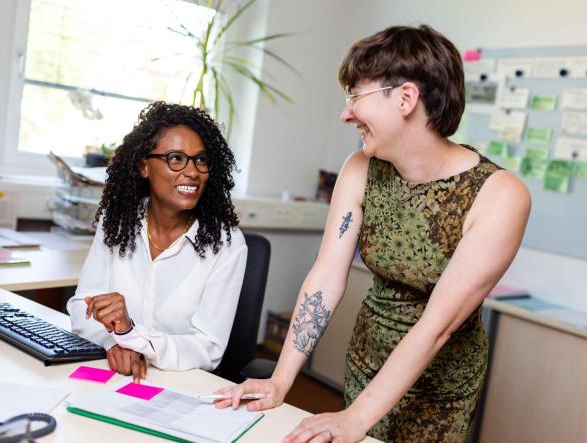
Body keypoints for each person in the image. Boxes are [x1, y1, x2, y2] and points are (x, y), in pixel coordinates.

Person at [215, 25, 531, 442]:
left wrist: (356, 418)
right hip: (368, 359)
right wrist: (281, 379)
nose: (346, 114)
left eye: (355, 97)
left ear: (405, 98)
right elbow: (326, 277)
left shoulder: (500, 195)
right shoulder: (360, 169)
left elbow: (437, 325)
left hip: (441, 387)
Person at [67, 101, 247, 382]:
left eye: (201, 160)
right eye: (176, 158)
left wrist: (136, 341)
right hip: (115, 371)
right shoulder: (117, 222)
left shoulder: (226, 243)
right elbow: (82, 305)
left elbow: (208, 347)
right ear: (144, 167)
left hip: (181, 383)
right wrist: (114, 342)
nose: (193, 171)